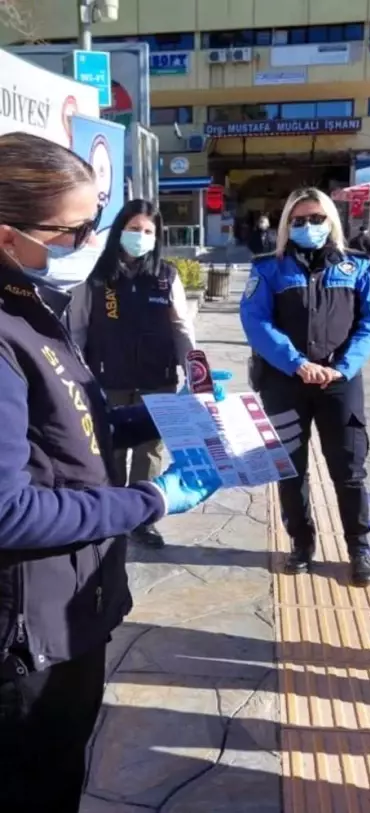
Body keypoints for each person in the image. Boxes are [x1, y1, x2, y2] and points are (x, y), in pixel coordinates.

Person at [0, 131, 222, 813]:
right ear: (9, 238)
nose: (92, 239)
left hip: (73, 609)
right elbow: (9, 510)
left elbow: (70, 428)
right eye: (74, 229)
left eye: (98, 221)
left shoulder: (34, 303)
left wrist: (165, 418)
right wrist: (148, 500)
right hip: (28, 633)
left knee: (64, 770)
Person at [240, 187, 370, 585]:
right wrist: (297, 363)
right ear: (287, 224)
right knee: (290, 470)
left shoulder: (356, 266)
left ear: (331, 221)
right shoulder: (269, 268)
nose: (308, 226)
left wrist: (342, 367)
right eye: (298, 220)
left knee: (349, 469)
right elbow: (256, 322)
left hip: (340, 382)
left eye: (316, 218)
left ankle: (359, 547)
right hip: (286, 382)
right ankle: (301, 543)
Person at [68, 199, 196, 549]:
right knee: (108, 448)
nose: (140, 236)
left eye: (148, 231)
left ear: (157, 237)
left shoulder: (166, 275)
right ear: (119, 230)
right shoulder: (95, 274)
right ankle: (109, 514)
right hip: (107, 378)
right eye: (134, 228)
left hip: (158, 378)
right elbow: (77, 329)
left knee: (149, 450)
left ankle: (143, 519)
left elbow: (182, 329)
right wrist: (75, 376)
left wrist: (195, 370)